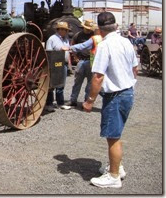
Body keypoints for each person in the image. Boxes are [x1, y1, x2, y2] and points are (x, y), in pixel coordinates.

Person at [83, 12, 138, 188]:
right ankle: (118, 167)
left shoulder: (104, 46)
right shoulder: (126, 42)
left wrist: (90, 100)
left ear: (99, 29)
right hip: (127, 92)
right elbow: (134, 69)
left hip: (115, 96)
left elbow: (98, 76)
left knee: (112, 136)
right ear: (115, 26)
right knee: (117, 132)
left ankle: (114, 177)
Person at [65, 20, 95, 107]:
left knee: (90, 83)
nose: (88, 30)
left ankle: (86, 101)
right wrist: (76, 58)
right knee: (77, 82)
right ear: (83, 27)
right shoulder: (78, 35)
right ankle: (73, 100)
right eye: (87, 28)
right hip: (81, 60)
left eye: (89, 28)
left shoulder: (94, 37)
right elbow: (73, 46)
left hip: (91, 61)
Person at [45, 21, 71, 111]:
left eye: (66, 30)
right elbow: (49, 53)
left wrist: (69, 64)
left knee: (61, 84)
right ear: (58, 29)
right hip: (54, 65)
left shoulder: (66, 39)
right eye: (63, 29)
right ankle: (49, 104)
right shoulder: (52, 39)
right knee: (51, 85)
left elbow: (68, 52)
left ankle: (60, 103)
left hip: (64, 64)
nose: (65, 31)